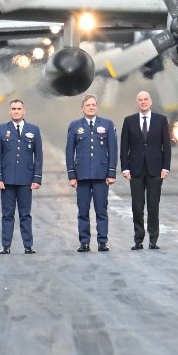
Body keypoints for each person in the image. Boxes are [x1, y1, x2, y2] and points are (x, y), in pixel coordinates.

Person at [65, 93, 117, 253]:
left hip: (101, 176)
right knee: (83, 211)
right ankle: (84, 242)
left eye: (94, 104)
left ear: (97, 106)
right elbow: (69, 151)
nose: (91, 107)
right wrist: (72, 175)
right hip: (82, 176)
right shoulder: (75, 126)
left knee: (101, 210)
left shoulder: (107, 124)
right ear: (82, 108)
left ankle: (102, 241)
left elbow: (113, 149)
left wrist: (111, 173)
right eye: (88, 105)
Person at [120, 90, 171, 250]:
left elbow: (166, 146)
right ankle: (138, 239)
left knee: (153, 205)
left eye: (146, 99)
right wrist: (125, 168)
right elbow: (124, 147)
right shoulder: (129, 121)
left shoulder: (161, 120)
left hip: (155, 169)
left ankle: (153, 239)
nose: (143, 102)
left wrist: (166, 167)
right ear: (137, 103)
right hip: (135, 170)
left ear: (150, 102)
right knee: (137, 205)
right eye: (140, 100)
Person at [0, 98, 43, 254]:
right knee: (7, 214)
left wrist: (37, 178)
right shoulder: (1, 130)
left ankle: (28, 245)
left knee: (25, 214)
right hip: (6, 180)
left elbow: (38, 156)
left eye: (18, 108)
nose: (16, 111)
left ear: (23, 110)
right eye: (13, 109)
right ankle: (6, 246)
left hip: (26, 180)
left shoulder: (33, 130)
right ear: (9, 111)